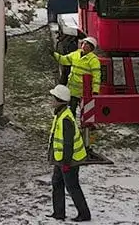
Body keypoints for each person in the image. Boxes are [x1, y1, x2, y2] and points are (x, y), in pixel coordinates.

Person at [48, 84, 91, 222]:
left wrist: (66, 163)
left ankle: (84, 214)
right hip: (61, 159)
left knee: (72, 186)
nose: (50, 100)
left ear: (59, 100)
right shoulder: (60, 114)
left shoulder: (65, 118)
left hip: (69, 160)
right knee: (57, 183)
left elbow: (68, 143)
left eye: (53, 98)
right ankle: (58, 212)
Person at [53, 36, 101, 116]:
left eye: (87, 45)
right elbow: (64, 60)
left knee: (86, 112)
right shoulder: (75, 54)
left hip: (84, 92)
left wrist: (95, 91)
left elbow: (97, 77)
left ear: (91, 48)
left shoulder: (93, 60)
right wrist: (54, 54)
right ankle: (72, 122)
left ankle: (85, 122)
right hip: (73, 91)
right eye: (84, 43)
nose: (84, 46)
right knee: (71, 110)